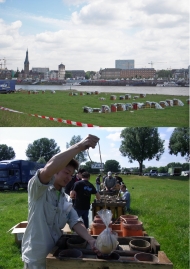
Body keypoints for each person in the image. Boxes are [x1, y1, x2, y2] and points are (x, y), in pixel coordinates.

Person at [22, 134, 100, 269]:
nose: (69, 177)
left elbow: (75, 221)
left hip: (57, 255)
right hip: (37, 258)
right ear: (56, 170)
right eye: (66, 172)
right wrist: (79, 146)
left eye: (72, 174)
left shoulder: (65, 199)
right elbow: (47, 170)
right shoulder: (38, 190)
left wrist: (91, 240)